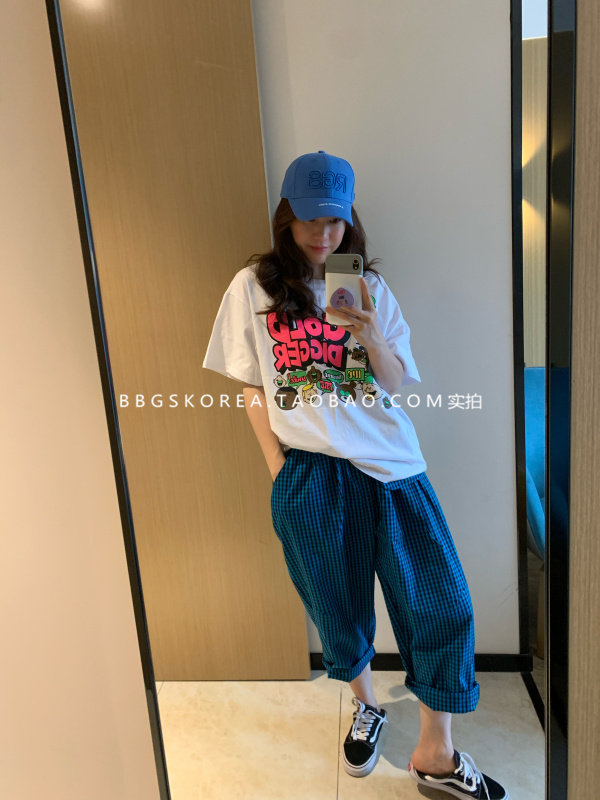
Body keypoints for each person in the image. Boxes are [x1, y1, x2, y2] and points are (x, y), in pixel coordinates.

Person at [202, 150, 508, 800]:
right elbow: (252, 387)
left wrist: (369, 334)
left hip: (392, 470)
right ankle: (367, 705)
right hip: (309, 474)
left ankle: (436, 751)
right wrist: (280, 468)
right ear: (287, 217)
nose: (323, 234)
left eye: (335, 220)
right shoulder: (252, 289)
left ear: (349, 220)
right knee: (335, 604)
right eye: (310, 218)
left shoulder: (370, 290)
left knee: (441, 603)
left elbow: (394, 385)